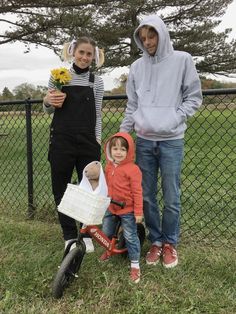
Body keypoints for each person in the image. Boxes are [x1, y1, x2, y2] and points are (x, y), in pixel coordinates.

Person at [120, 15, 202, 268]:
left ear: (162, 34)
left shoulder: (182, 60)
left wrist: (174, 118)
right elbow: (132, 104)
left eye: (152, 36)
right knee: (146, 197)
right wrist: (123, 134)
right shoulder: (136, 67)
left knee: (172, 196)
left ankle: (170, 243)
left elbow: (194, 98)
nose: (147, 42)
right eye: (143, 38)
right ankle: (155, 241)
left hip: (171, 141)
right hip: (144, 141)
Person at [43, 37, 105, 253]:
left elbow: (97, 114)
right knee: (60, 187)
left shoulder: (96, 82)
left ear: (93, 56)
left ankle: (85, 232)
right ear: (73, 52)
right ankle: (69, 235)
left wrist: (97, 141)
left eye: (89, 54)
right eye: (81, 52)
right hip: (61, 140)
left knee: (88, 189)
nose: (85, 57)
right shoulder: (58, 77)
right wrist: (48, 101)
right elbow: (48, 110)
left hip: (88, 142)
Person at [100, 132, 143, 283]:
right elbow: (105, 185)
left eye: (123, 149)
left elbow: (138, 192)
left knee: (130, 236)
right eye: (115, 149)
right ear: (109, 150)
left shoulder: (133, 169)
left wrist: (138, 212)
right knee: (106, 232)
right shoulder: (109, 167)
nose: (118, 152)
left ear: (129, 151)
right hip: (111, 207)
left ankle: (135, 265)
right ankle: (109, 250)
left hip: (127, 209)